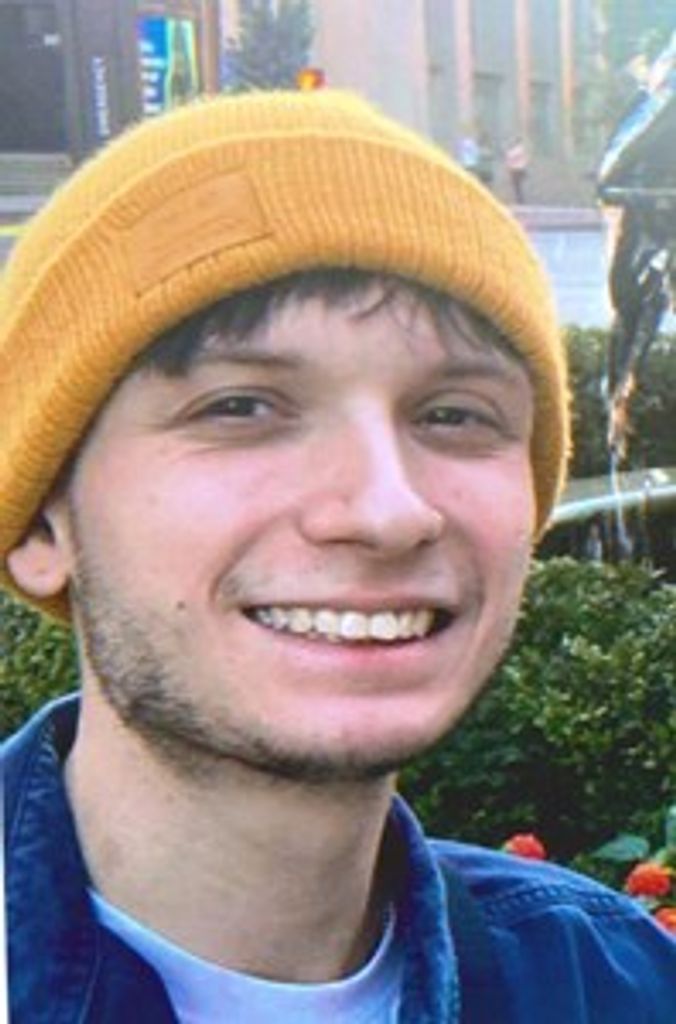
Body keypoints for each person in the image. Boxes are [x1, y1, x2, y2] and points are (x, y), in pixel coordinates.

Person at [1, 90, 674, 1023]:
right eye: (240, 408)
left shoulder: (614, 985)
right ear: (41, 524)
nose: (388, 511)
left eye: (454, 415)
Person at [505, 136, 529, 204]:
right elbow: (525, 160)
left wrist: (508, 167)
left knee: (516, 185)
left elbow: (509, 159)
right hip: (519, 168)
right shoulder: (521, 149)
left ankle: (519, 199)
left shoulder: (514, 151)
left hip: (515, 170)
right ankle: (520, 199)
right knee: (518, 185)